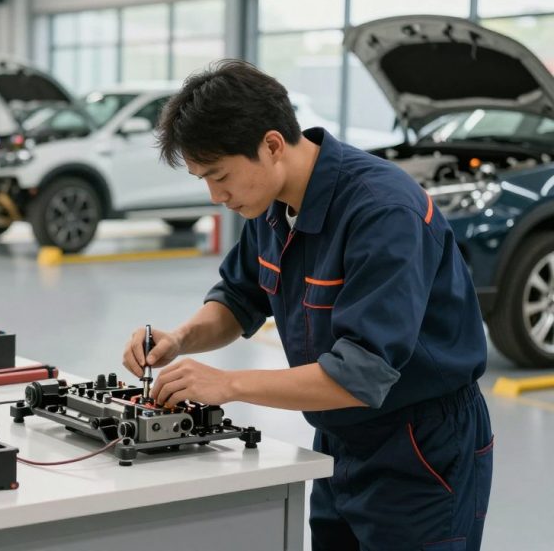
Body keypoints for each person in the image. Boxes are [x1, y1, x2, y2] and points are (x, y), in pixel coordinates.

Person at [122, 60, 493, 551]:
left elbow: (360, 375)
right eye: (202, 179)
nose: (215, 196)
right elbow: (239, 297)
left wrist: (229, 384)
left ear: (272, 145)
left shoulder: (383, 212)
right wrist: (179, 338)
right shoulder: (268, 204)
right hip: (338, 438)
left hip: (420, 449)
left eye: (220, 175)